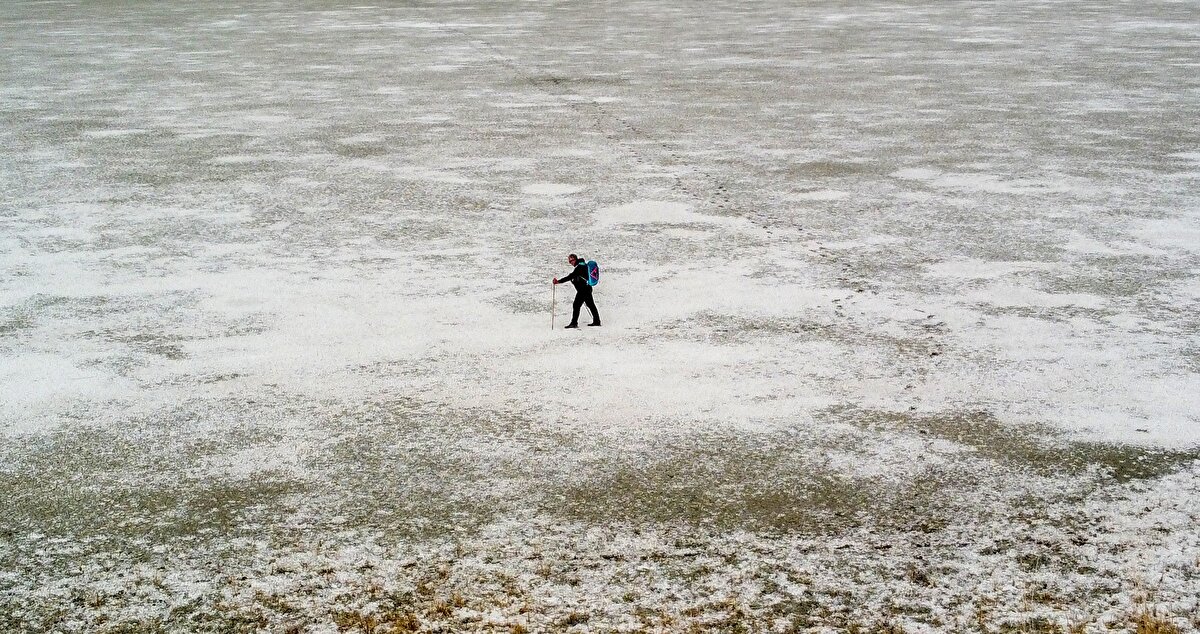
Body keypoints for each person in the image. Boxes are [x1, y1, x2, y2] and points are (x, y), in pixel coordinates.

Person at [553, 253, 601, 328]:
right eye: (569, 261)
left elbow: (570, 276)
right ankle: (597, 321)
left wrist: (558, 281)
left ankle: (574, 323)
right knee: (591, 305)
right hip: (587, 288)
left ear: (575, 259)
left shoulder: (580, 267)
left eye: (571, 260)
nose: (571, 263)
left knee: (576, 305)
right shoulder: (583, 265)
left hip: (583, 290)